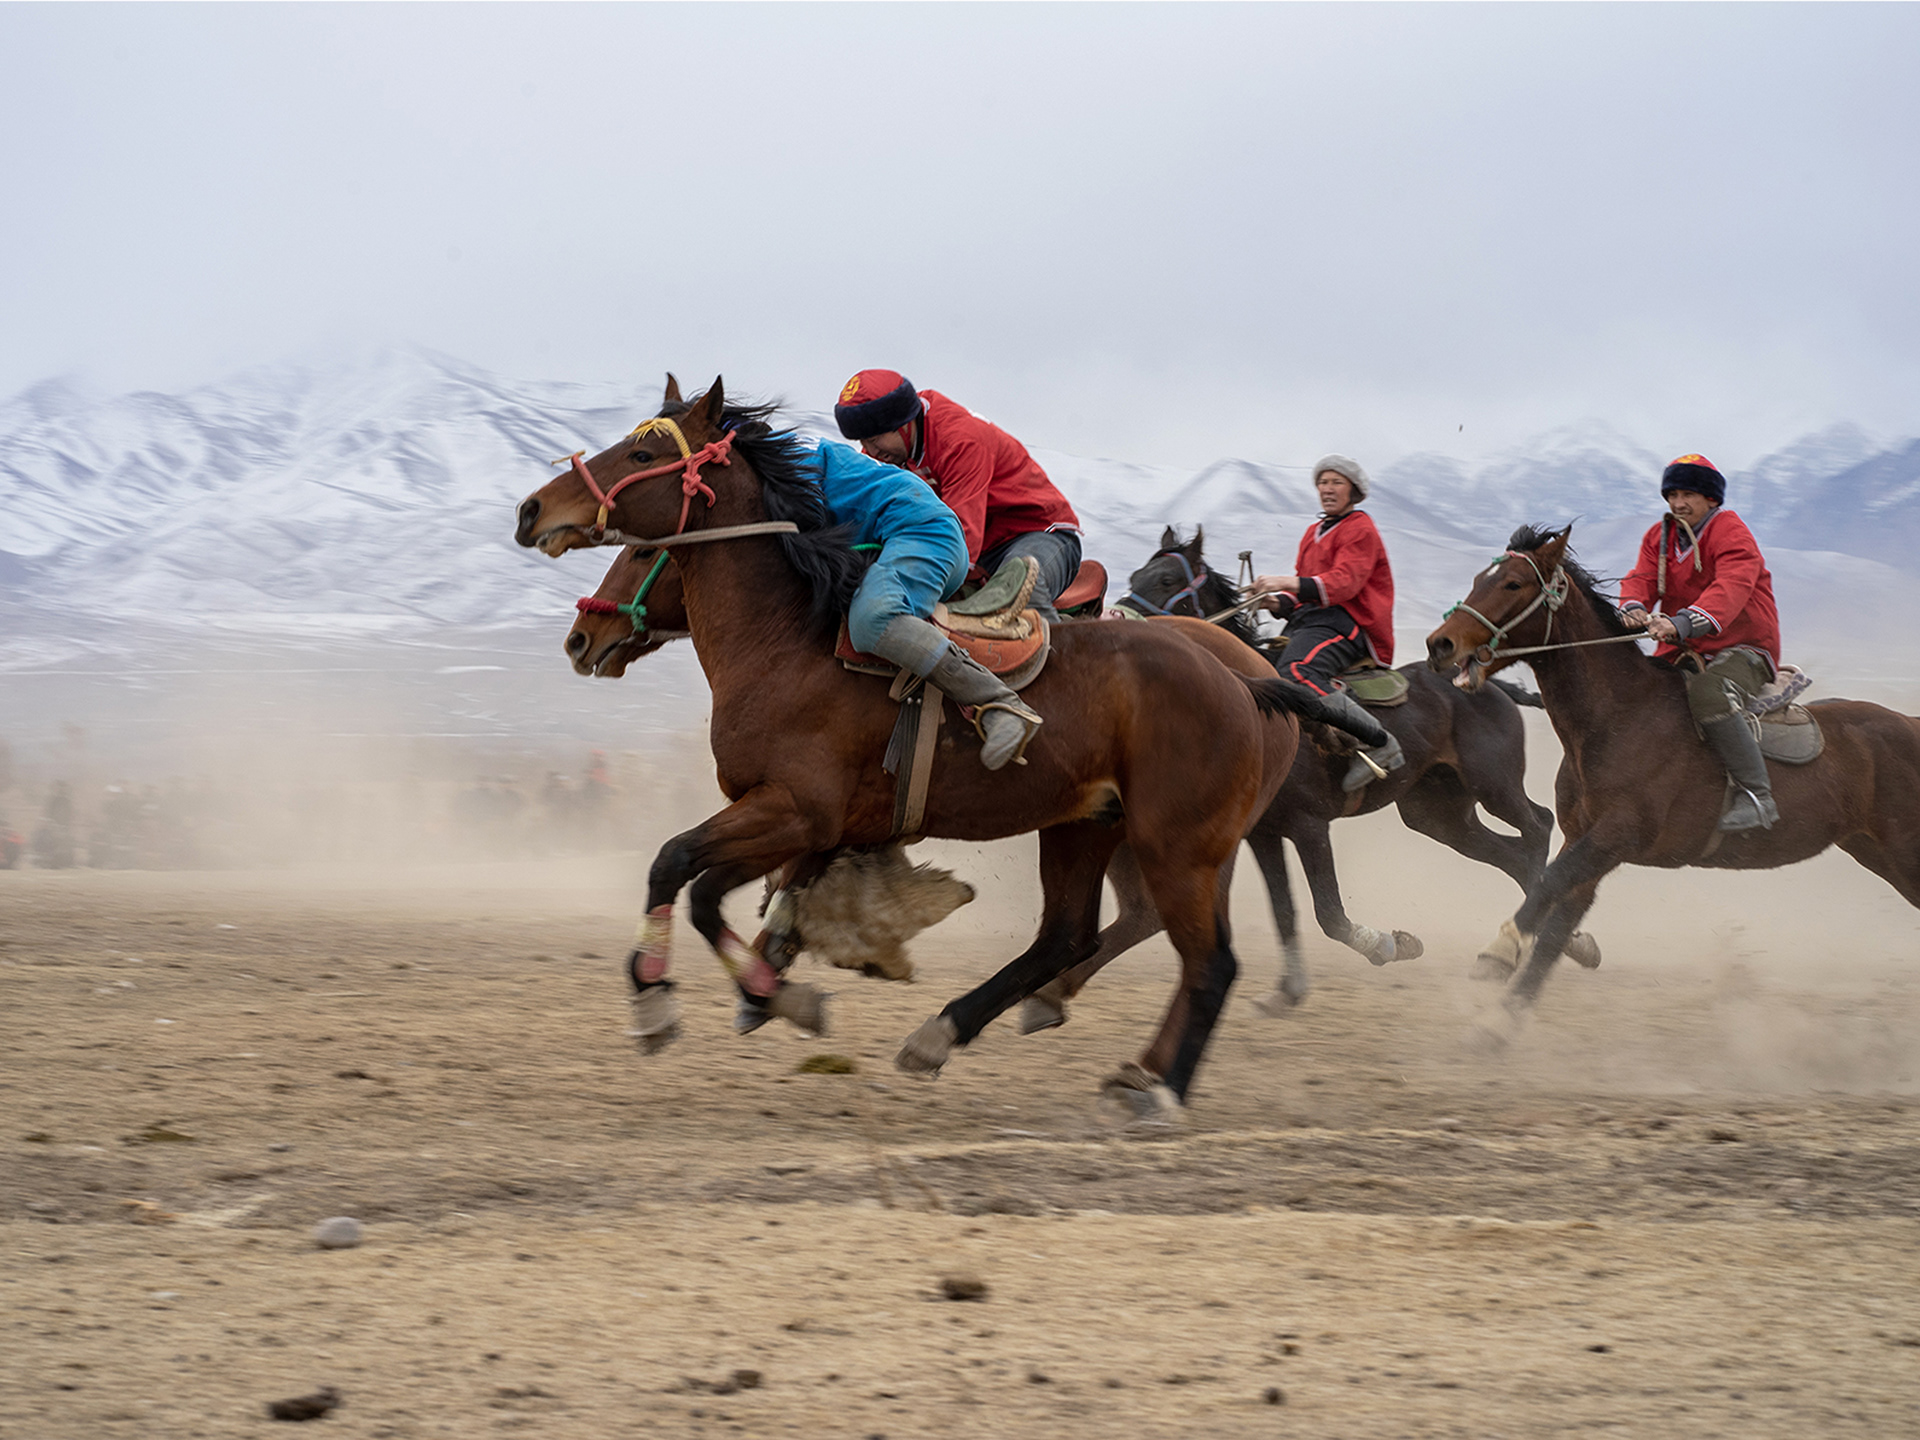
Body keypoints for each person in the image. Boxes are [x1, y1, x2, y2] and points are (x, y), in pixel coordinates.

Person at [805, 432, 1044, 771]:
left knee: (872, 620)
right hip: (895, 534)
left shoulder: (786, 470)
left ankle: (1001, 703)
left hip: (923, 530)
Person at [833, 370, 1083, 622]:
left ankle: (1062, 659)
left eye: (875, 440)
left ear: (903, 423)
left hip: (1037, 534)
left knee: (1019, 593)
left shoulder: (961, 441)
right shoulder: (885, 451)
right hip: (981, 547)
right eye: (864, 441)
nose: (871, 451)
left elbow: (961, 536)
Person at [1618, 454, 1782, 831]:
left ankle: (1757, 795)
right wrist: (1632, 607)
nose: (1677, 503)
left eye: (1688, 493)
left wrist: (1681, 623)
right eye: (1672, 494)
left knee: (1709, 693)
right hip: (1681, 648)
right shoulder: (1658, 537)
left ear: (1712, 499)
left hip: (1744, 646)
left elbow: (1731, 588)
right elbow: (1641, 577)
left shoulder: (1731, 532)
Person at [1251, 455, 1407, 791]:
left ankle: (1379, 742)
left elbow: (1343, 584)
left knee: (1296, 672)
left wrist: (1284, 583)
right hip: (1310, 621)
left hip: (1348, 623)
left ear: (1354, 490)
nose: (1327, 489)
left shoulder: (1361, 529)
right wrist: (1274, 602)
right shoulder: (1312, 532)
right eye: (1323, 482)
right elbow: (1305, 586)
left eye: (1336, 482)